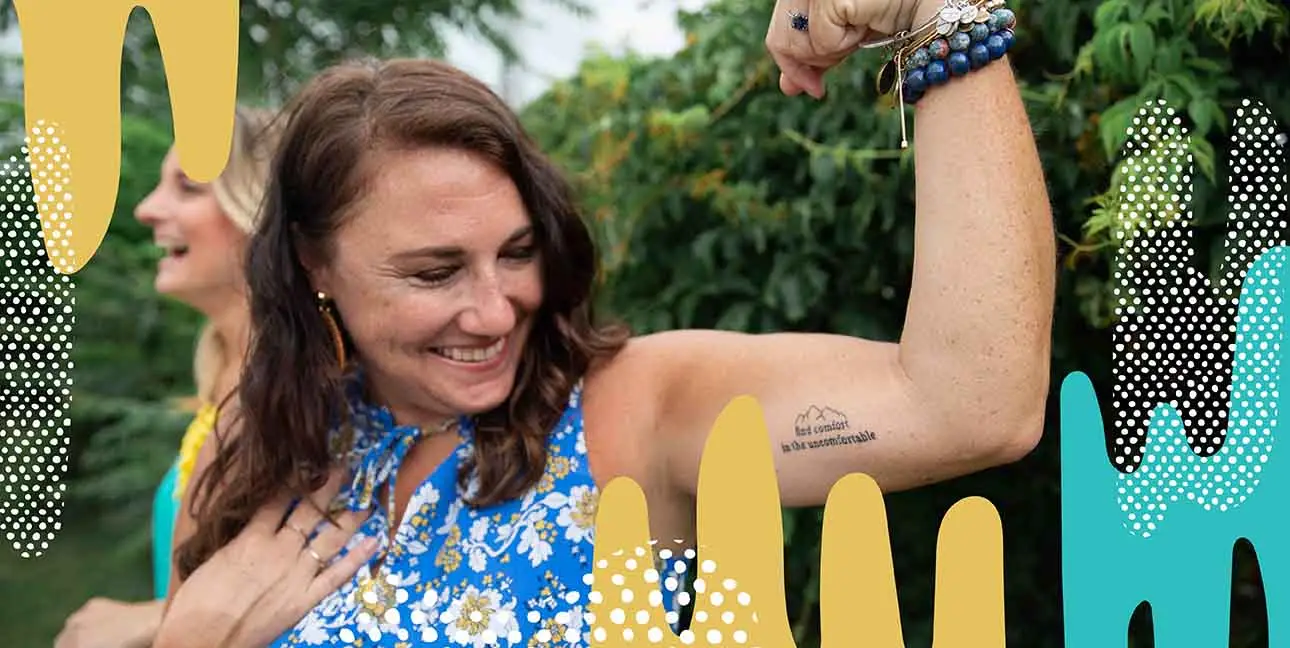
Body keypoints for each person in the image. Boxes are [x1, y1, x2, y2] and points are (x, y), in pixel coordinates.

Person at [155, 0, 1055, 644]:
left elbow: (970, 404)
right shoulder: (262, 443)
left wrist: (942, 17)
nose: (495, 308)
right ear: (313, 264)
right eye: (433, 271)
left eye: (516, 251)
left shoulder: (628, 410)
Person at [53, 105, 281, 648]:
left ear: (262, 210)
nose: (146, 209)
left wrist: (157, 620)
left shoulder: (296, 399)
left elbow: (343, 585)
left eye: (188, 187)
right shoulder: (226, 379)